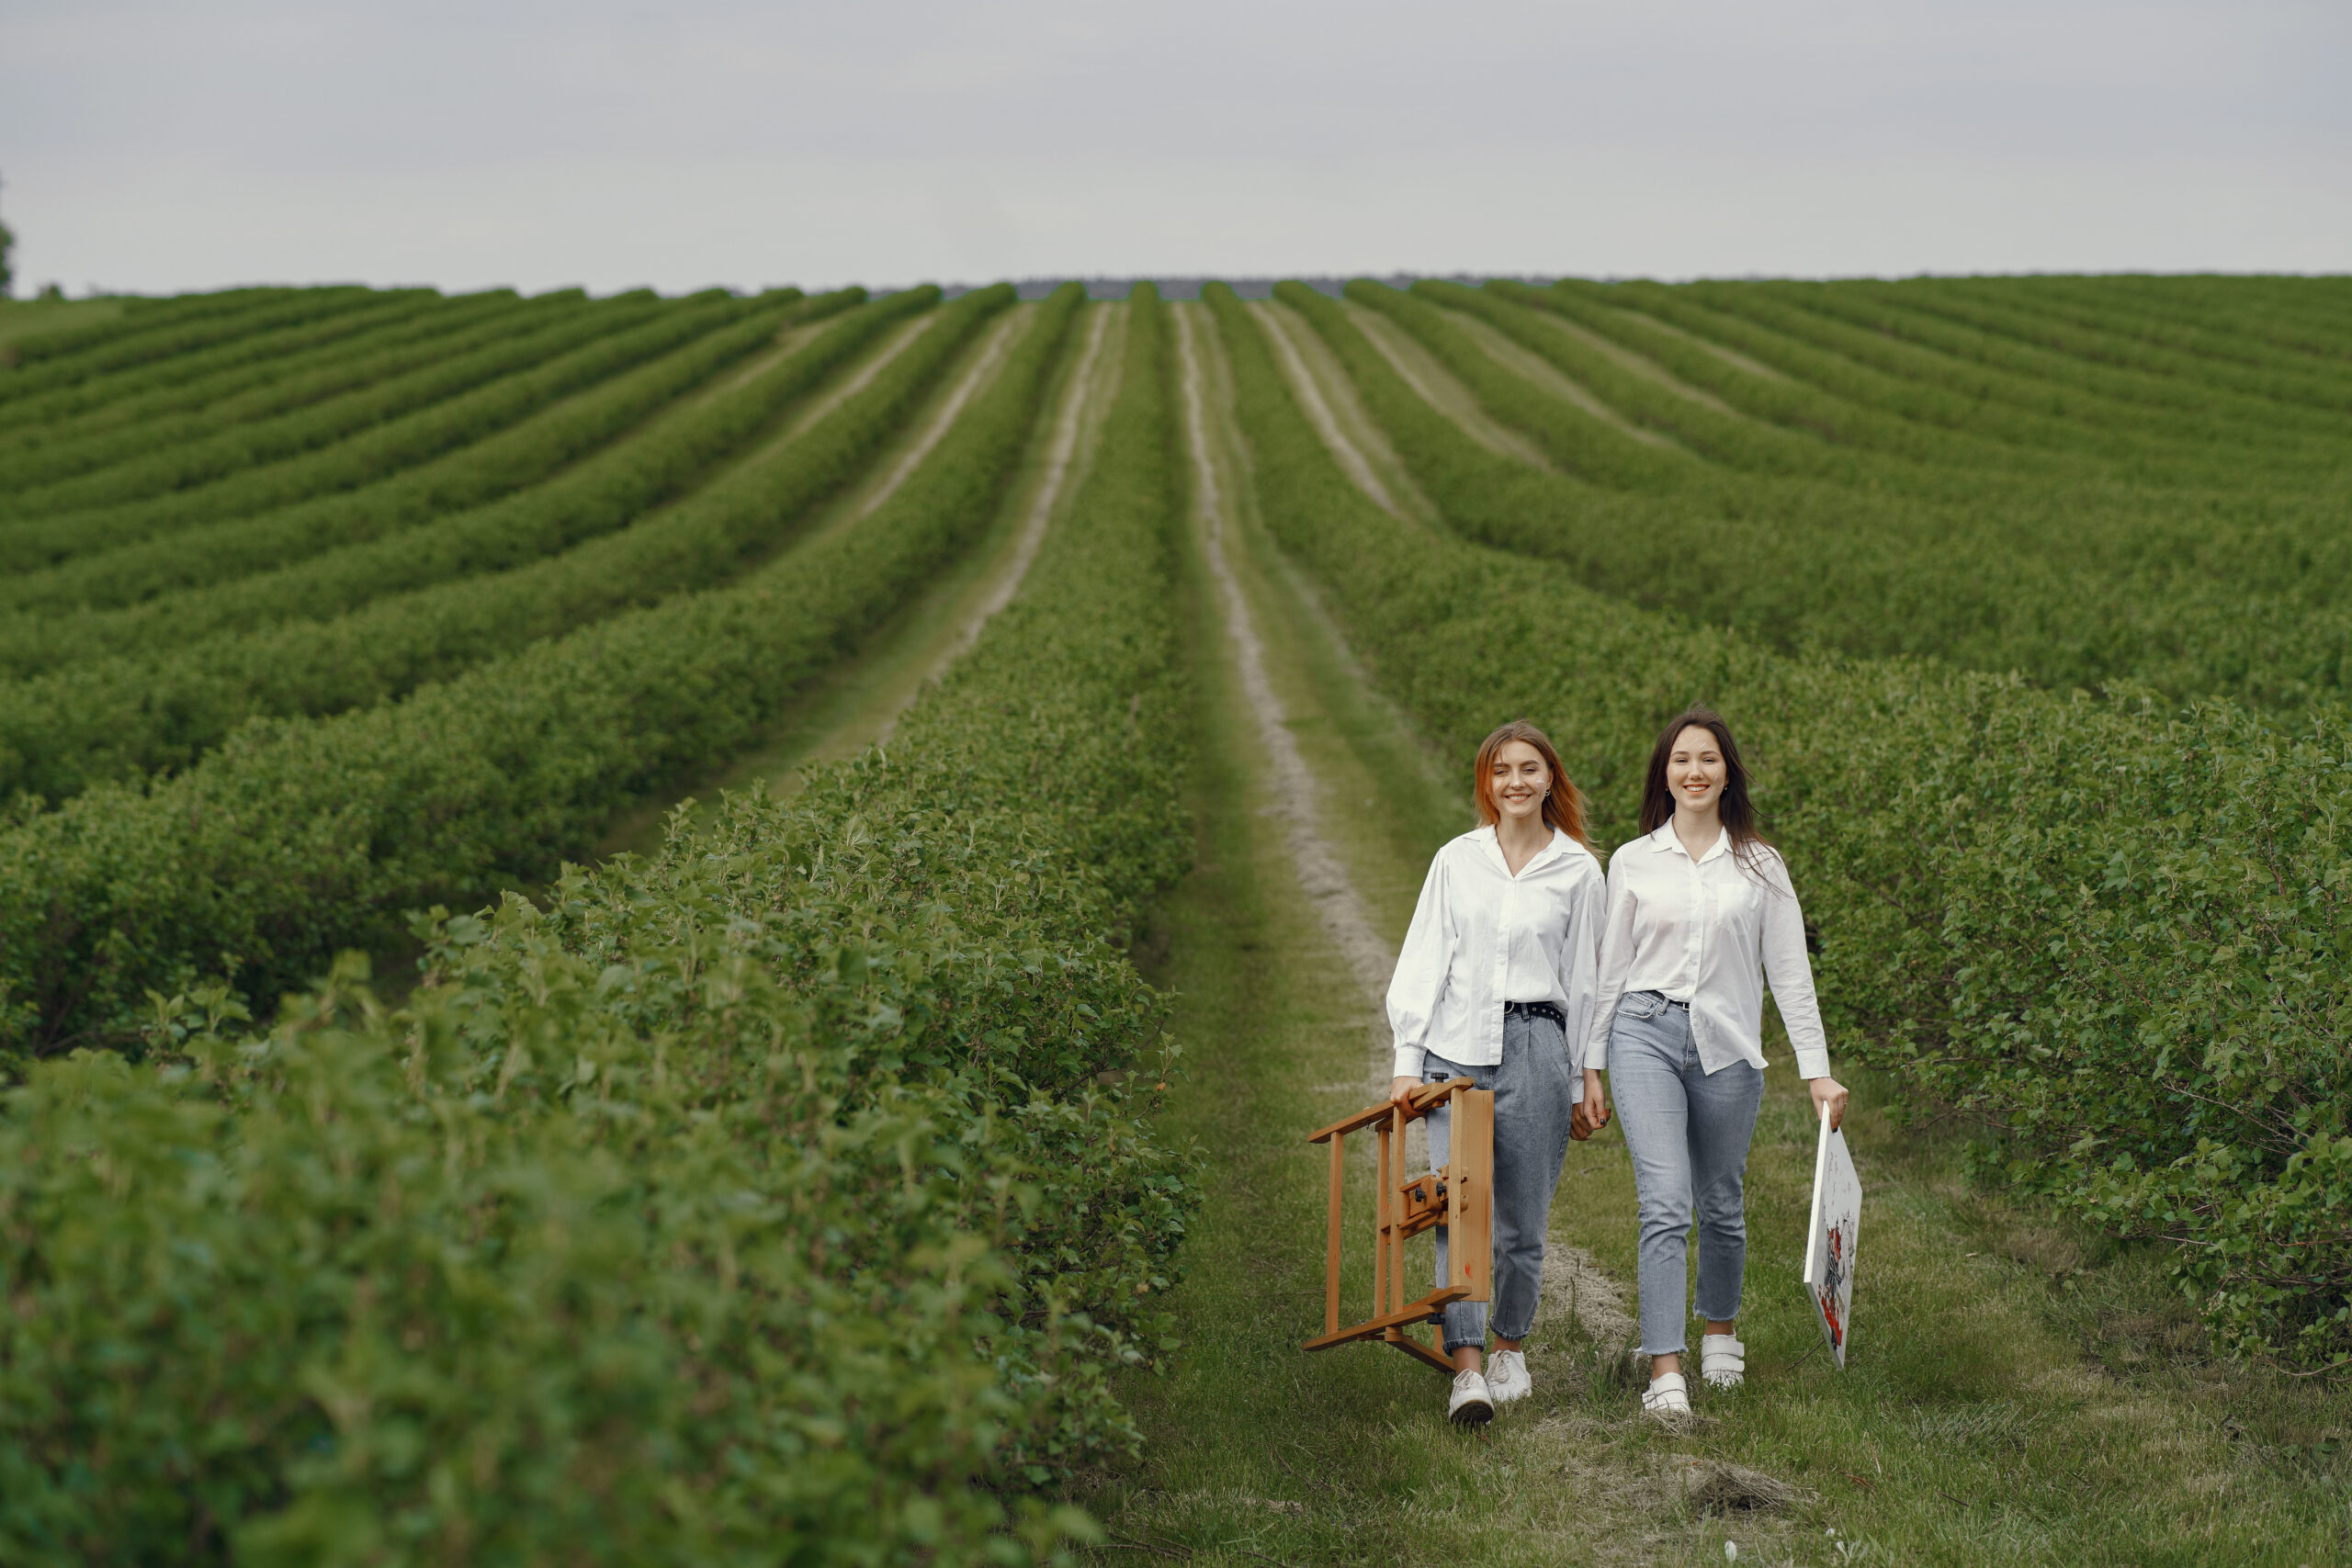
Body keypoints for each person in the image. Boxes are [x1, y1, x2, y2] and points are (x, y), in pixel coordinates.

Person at [1577, 707, 1849, 1420]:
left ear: (1728, 772)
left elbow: (1790, 974)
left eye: (1708, 759)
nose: (1694, 771)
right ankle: (1664, 1365)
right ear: (1664, 775)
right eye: (1680, 760)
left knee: (1722, 1202)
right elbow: (1611, 970)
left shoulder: (1760, 864)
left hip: (1728, 1048)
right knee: (1665, 1199)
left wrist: (1816, 1069)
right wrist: (1592, 1063)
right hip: (1646, 1033)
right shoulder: (1634, 859)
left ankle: (1719, 1329)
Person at [1388, 719, 1605, 1427]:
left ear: (1551, 779)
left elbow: (1589, 981)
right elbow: (1424, 961)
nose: (1516, 781)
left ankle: (1511, 1342)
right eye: (1502, 769)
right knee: (1461, 1208)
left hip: (1539, 1044)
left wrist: (1582, 1078)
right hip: (1456, 1050)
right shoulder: (1457, 860)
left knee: (1522, 1218)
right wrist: (1405, 1063)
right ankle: (1469, 1365)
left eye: (1529, 768)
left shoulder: (1578, 869)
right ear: (1487, 782)